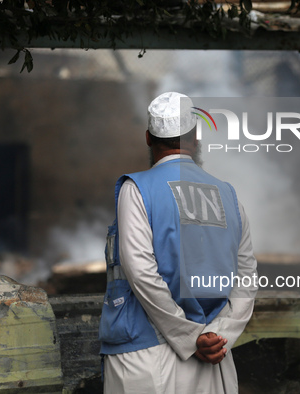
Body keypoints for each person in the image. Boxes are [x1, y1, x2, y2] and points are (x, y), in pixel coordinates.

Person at [99, 92, 258, 394]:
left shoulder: (137, 190)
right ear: (196, 136)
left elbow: (141, 273)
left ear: (148, 138)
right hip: (215, 359)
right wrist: (217, 336)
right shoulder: (229, 196)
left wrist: (190, 338)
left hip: (145, 358)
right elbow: (246, 277)